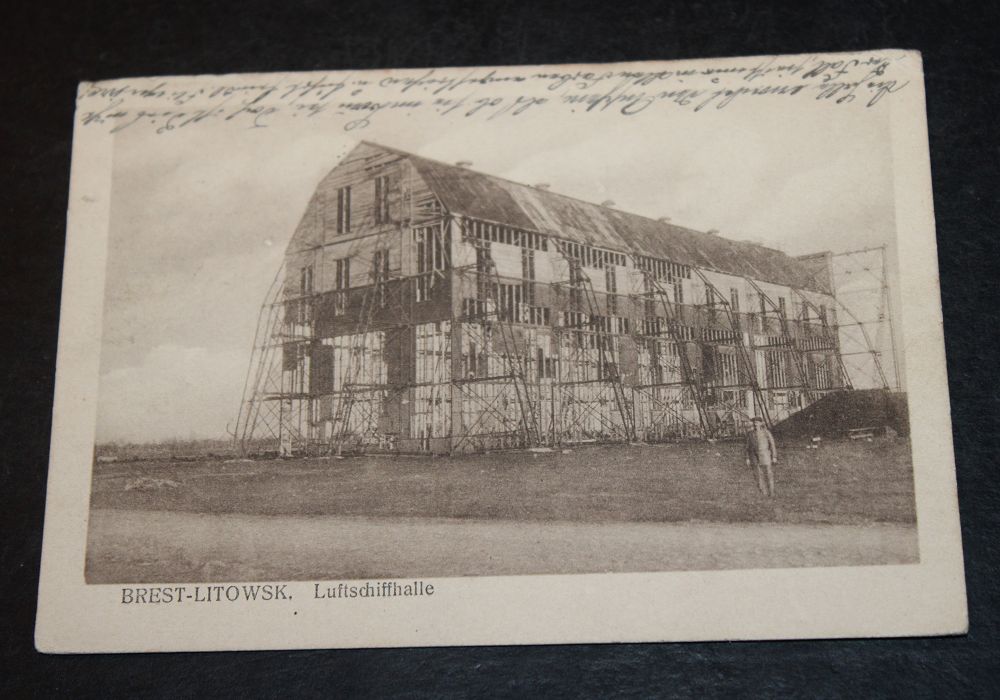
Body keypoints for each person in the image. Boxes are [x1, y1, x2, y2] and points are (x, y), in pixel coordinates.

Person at [745, 417, 777, 497]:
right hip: (755, 457)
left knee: (768, 474)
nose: (755, 424)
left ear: (761, 423)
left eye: (757, 422)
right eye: (754, 422)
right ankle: (763, 493)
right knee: (758, 475)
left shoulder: (766, 432)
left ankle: (771, 492)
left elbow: (772, 444)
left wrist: (774, 456)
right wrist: (747, 458)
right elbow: (747, 447)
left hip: (765, 455)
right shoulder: (750, 434)